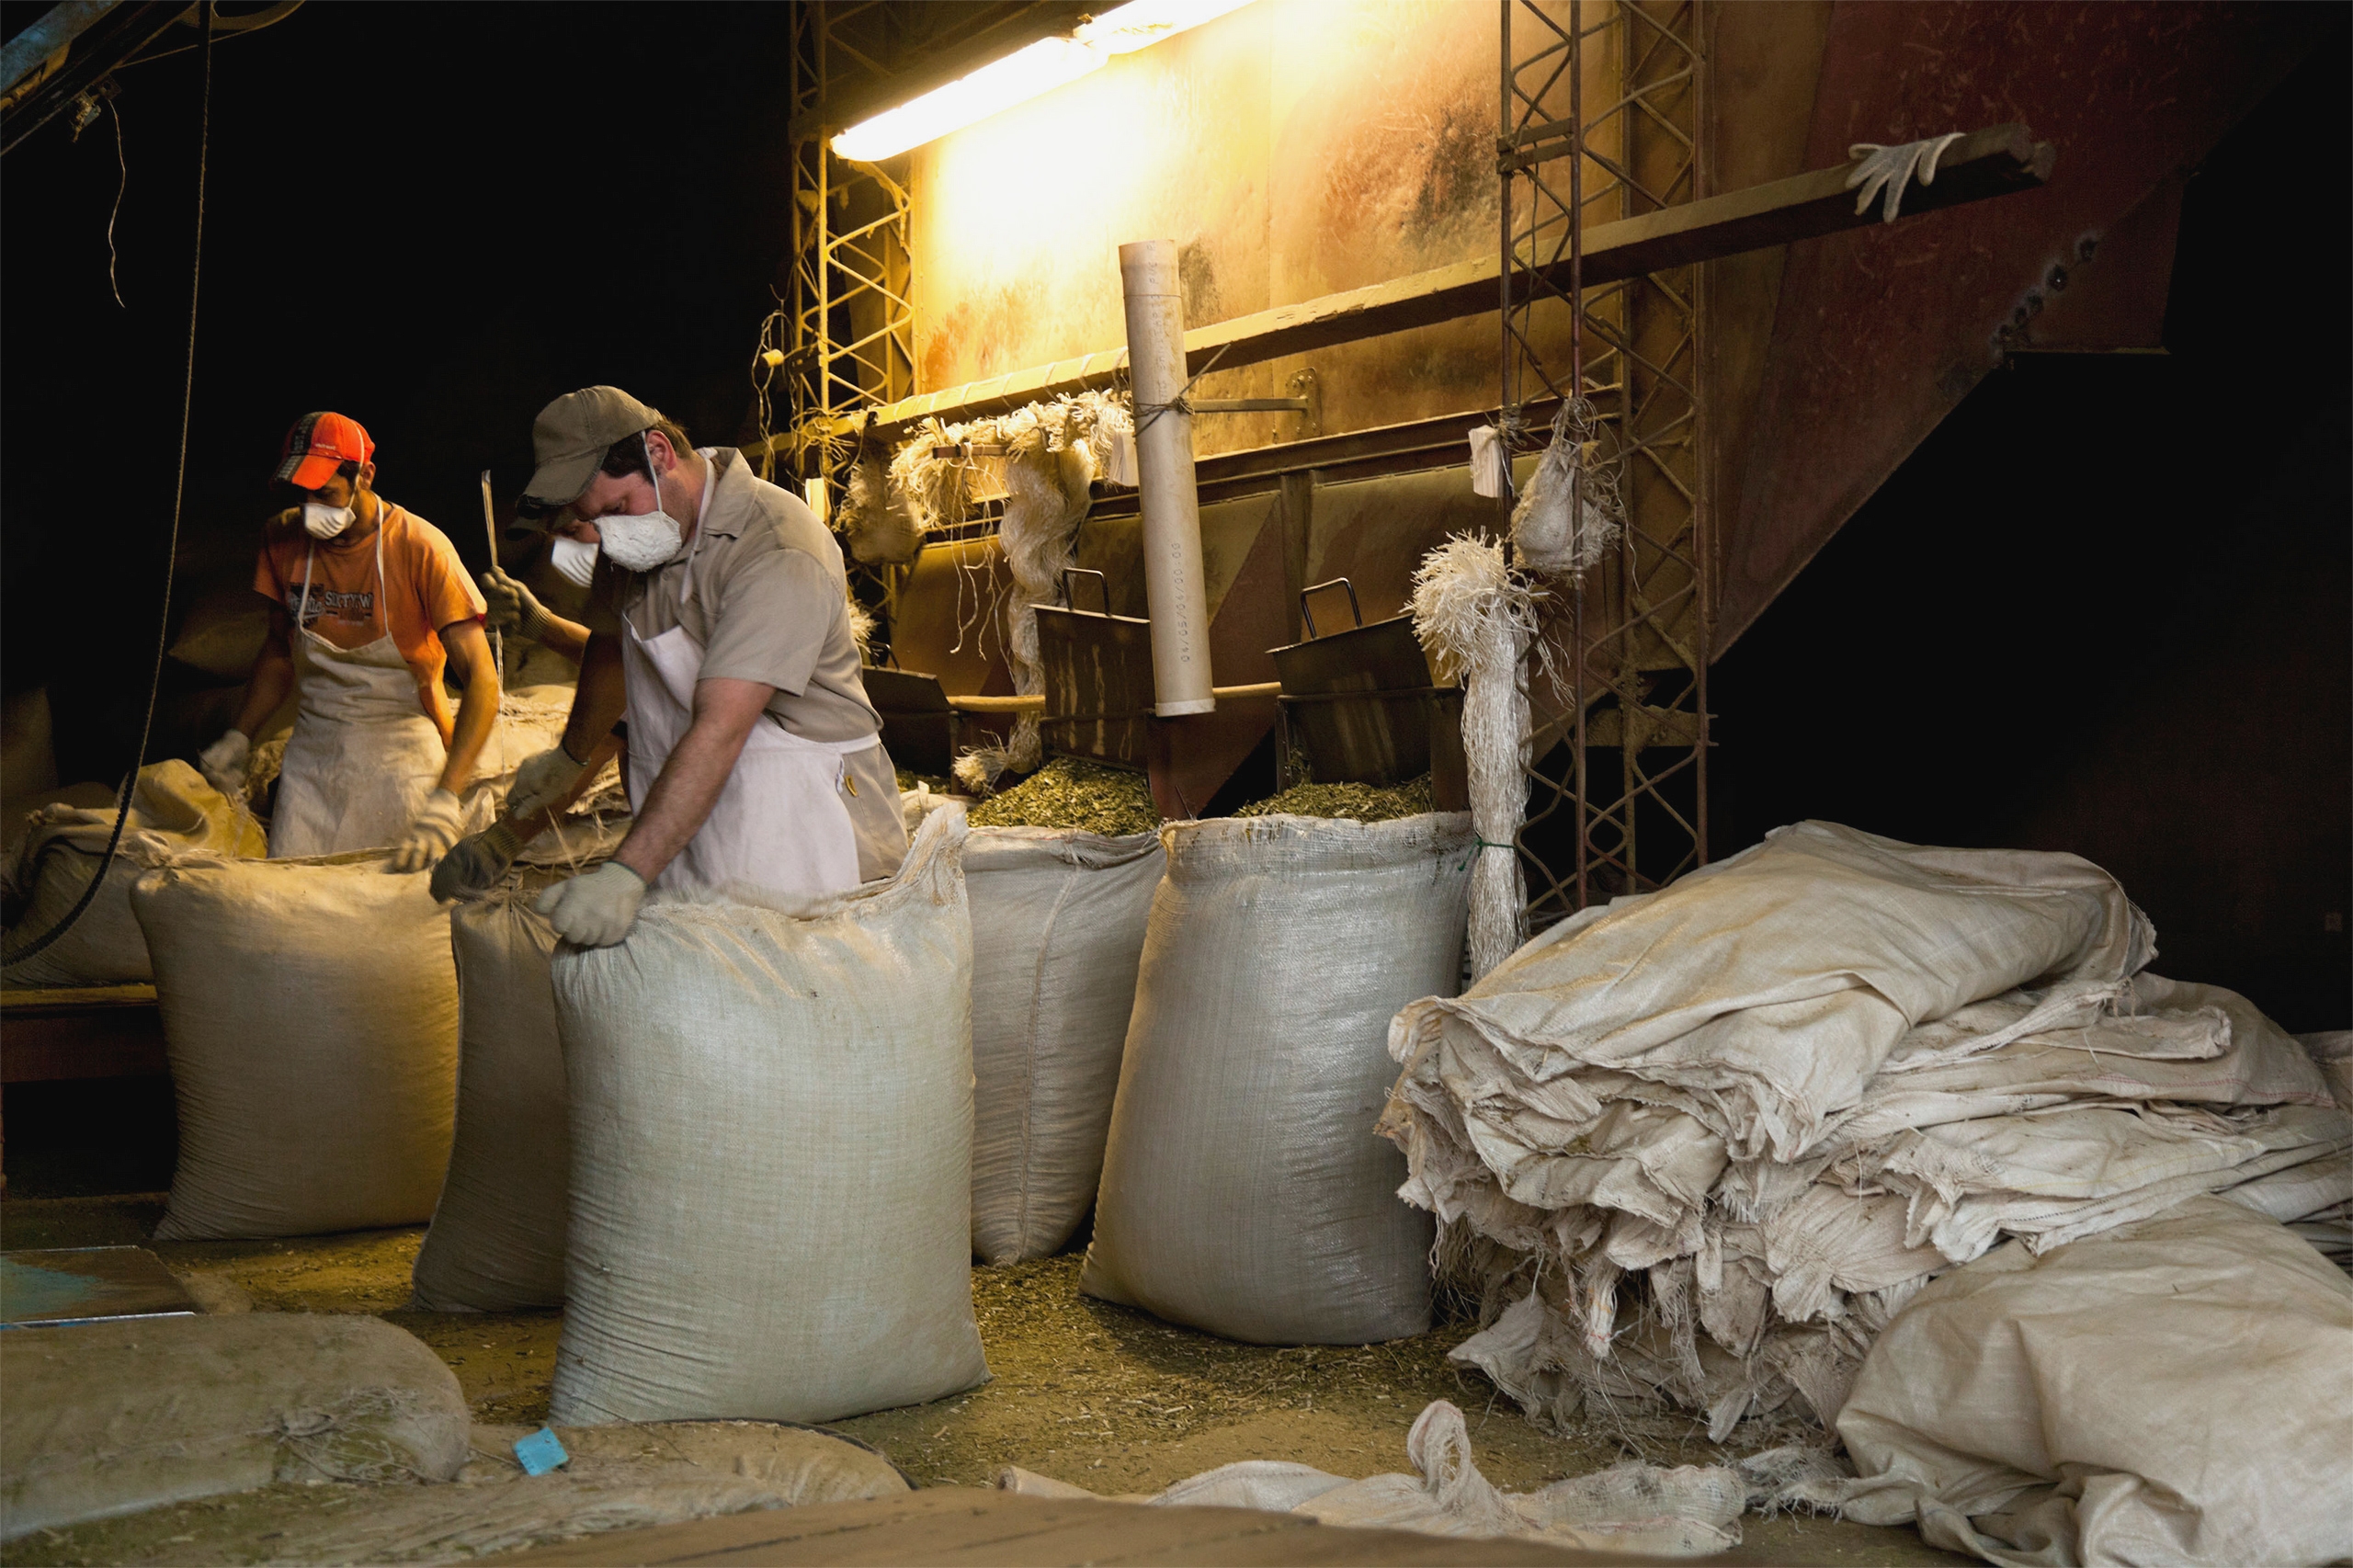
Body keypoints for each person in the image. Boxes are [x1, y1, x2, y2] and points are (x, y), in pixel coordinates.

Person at [494, 386, 904, 946]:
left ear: (659, 453)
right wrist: (570, 754)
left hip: (800, 825)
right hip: (686, 823)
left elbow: (720, 728)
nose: (606, 537)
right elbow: (614, 644)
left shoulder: (774, 548)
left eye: (614, 510)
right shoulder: (641, 538)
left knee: (806, 1011)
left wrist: (626, 871)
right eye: (593, 522)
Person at [197, 412, 499, 867]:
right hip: (314, 760)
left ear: (365, 475)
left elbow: (481, 678)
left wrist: (446, 797)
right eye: (301, 495)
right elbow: (278, 652)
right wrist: (240, 736)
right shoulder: (282, 539)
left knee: (401, 904)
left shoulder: (419, 547)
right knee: (297, 899)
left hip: (403, 754)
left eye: (324, 492)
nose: (310, 508)